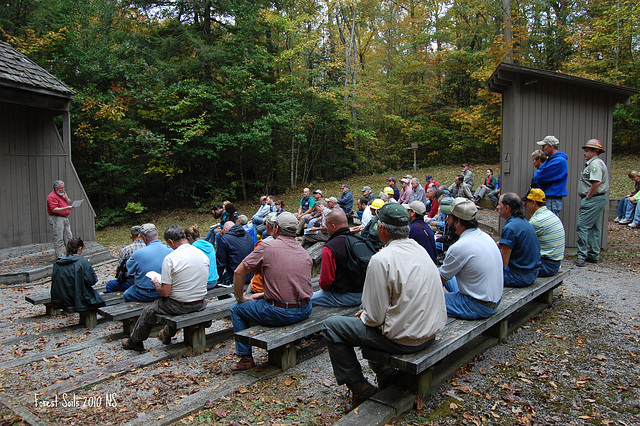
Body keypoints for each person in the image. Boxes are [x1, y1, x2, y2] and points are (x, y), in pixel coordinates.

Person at [322, 203, 447, 411]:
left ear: (381, 229)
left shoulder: (381, 259)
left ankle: (359, 387)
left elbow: (374, 319)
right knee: (368, 321)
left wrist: (365, 316)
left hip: (406, 340)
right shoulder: (422, 252)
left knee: (332, 326)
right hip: (430, 333)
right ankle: (385, 372)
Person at [229, 212, 314, 371]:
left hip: (280, 312)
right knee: (259, 302)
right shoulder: (303, 252)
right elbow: (295, 283)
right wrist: (264, 294)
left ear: (276, 229)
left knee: (236, 309)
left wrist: (240, 297)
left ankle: (245, 357)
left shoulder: (267, 247)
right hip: (304, 309)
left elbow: (238, 272)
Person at [122, 225, 209, 351]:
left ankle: (134, 341)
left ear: (171, 241)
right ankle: (166, 334)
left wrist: (156, 284)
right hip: (200, 303)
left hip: (180, 305)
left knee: (150, 310)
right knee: (176, 302)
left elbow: (165, 292)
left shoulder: (171, 259)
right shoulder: (201, 254)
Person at [439, 198, 503, 319]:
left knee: (426, 302)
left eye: (449, 216)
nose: (447, 219)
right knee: (439, 271)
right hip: (493, 299)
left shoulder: (459, 247)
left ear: (457, 221)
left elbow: (439, 281)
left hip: (478, 305)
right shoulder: (485, 236)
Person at [311, 210, 371, 307]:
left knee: (306, 300)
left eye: (327, 226)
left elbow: (326, 283)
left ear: (333, 226)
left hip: (344, 296)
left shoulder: (330, 247)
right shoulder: (360, 240)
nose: (326, 228)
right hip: (366, 293)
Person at [576, 139, 609, 266]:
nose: (585, 153)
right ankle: (594, 254)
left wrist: (588, 196)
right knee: (594, 227)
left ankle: (581, 255)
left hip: (593, 199)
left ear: (595, 152)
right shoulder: (597, 163)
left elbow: (596, 182)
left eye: (587, 151)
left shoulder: (595, 164)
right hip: (598, 199)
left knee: (582, 226)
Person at [497, 193, 541, 287]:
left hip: (520, 276)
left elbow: (503, 263)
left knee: (480, 274)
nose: (497, 207)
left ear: (507, 208)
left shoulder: (510, 228)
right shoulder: (523, 222)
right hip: (532, 272)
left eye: (499, 204)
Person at [51, 237, 105, 312]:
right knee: (97, 299)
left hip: (60, 299)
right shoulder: (82, 262)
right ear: (79, 249)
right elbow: (92, 281)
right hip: (77, 299)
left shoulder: (58, 263)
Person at [123, 223, 173, 302]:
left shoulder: (138, 254)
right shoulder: (170, 250)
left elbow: (130, 271)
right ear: (157, 234)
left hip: (144, 293)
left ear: (144, 238)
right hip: (166, 290)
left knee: (127, 294)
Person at [523, 189, 565, 277]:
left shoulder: (537, 221)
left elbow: (521, 242)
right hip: (555, 263)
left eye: (526, 202)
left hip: (546, 265)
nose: (524, 206)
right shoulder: (549, 214)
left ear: (533, 203)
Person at [533, 135, 569, 216]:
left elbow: (538, 175)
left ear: (550, 146)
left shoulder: (559, 161)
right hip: (549, 198)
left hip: (552, 199)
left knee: (549, 224)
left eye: (544, 146)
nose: (542, 149)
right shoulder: (550, 160)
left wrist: (538, 174)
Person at [105, 225, 145, 293]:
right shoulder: (149, 247)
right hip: (147, 280)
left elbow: (119, 268)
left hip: (132, 281)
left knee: (109, 285)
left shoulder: (125, 250)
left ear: (131, 235)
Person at [216, 221, 254, 285]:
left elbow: (220, 261)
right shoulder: (247, 234)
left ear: (225, 230)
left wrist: (218, 278)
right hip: (251, 275)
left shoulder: (225, 238)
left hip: (235, 276)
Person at [249, 212, 278, 294]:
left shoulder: (262, 245)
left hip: (265, 287)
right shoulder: (293, 244)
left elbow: (253, 266)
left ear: (267, 225)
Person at [185, 224, 219, 290]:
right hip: (214, 280)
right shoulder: (210, 246)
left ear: (189, 237)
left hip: (203, 283)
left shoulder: (192, 249)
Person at [47, 179, 75, 258]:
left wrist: (66, 198)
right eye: (60, 188)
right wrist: (66, 208)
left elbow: (69, 202)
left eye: (63, 188)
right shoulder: (51, 197)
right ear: (55, 188)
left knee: (69, 236)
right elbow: (54, 209)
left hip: (65, 217)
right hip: (56, 218)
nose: (62, 189)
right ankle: (59, 256)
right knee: (59, 237)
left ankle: (71, 254)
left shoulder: (62, 194)